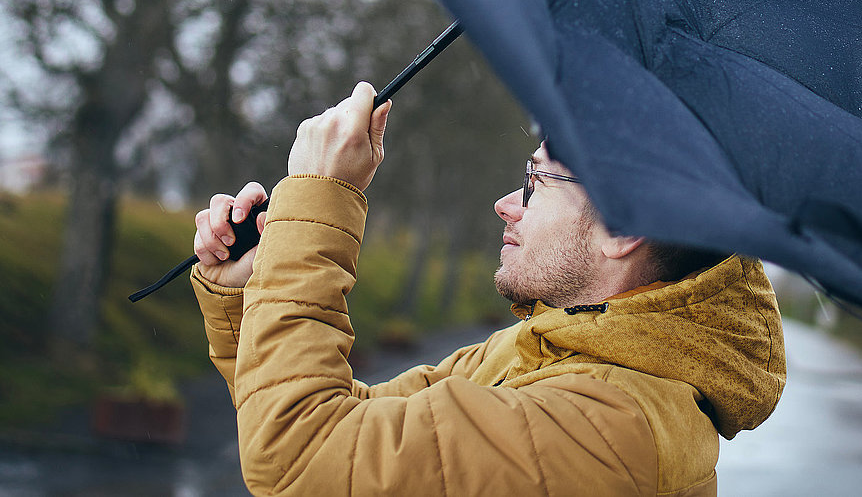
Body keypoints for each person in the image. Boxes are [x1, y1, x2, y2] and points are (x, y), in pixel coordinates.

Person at [192, 82, 786, 496]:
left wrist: (319, 197)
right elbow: (342, 429)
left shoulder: (610, 430)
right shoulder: (551, 352)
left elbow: (300, 457)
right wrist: (247, 295)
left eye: (535, 183)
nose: (506, 205)